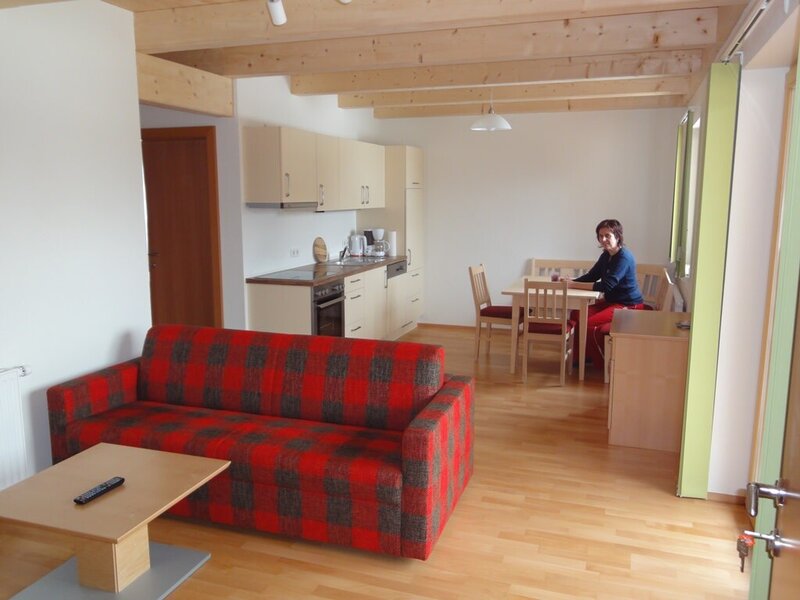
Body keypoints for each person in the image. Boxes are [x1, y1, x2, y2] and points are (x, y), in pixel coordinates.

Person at [564, 219, 644, 370]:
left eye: (608, 235)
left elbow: (606, 286)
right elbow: (592, 276)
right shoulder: (606, 255)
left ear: (618, 236)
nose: (603, 239)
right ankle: (581, 357)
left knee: (589, 323)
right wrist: (572, 280)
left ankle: (600, 363)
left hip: (629, 305)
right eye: (600, 236)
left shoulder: (624, 257)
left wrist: (573, 285)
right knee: (576, 314)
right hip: (612, 302)